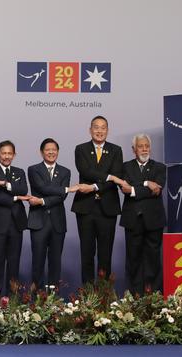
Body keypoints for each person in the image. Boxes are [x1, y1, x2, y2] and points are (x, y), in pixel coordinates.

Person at [71, 116, 124, 284]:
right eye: (96, 127)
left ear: (107, 131)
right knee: (86, 254)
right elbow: (85, 171)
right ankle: (87, 298)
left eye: (103, 128)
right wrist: (110, 177)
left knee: (105, 254)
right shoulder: (81, 149)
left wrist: (94, 187)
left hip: (108, 209)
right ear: (90, 130)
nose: (99, 131)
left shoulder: (116, 150)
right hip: (85, 208)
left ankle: (104, 299)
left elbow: (117, 175)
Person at [27, 138, 77, 289]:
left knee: (55, 262)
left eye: (54, 149)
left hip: (57, 222)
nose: (51, 152)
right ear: (42, 152)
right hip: (38, 221)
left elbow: (61, 197)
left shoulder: (65, 171)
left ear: (58, 152)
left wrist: (42, 201)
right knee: (38, 262)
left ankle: (53, 302)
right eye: (48, 150)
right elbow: (42, 188)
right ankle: (37, 301)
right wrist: (66, 188)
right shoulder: (33, 169)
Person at [119, 134, 166, 295]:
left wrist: (134, 189)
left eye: (146, 145)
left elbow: (157, 190)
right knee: (133, 260)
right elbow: (125, 188)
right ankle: (134, 295)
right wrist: (146, 183)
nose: (144, 148)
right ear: (134, 149)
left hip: (154, 220)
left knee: (153, 259)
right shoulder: (125, 167)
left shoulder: (160, 167)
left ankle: (154, 295)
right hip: (133, 220)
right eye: (140, 146)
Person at [0, 140, 29, 295]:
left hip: (16, 223)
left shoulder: (19, 171)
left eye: (10, 153)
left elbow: (23, 189)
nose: (6, 156)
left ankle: (12, 299)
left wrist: (5, 185)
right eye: (4, 153)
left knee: (14, 262)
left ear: (14, 155)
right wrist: (15, 198)